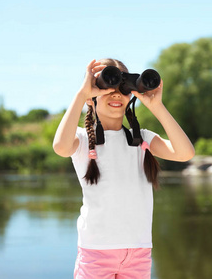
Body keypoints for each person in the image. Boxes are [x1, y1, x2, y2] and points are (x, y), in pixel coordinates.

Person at [53, 58, 195, 279]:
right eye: (106, 88)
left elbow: (185, 153)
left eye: (123, 88)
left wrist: (157, 107)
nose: (116, 94)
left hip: (138, 251)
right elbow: (61, 146)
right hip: (97, 251)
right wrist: (81, 95)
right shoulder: (82, 140)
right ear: (92, 98)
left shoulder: (141, 139)